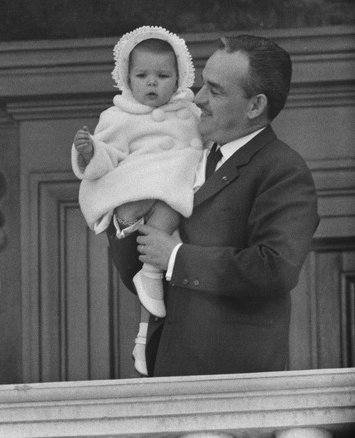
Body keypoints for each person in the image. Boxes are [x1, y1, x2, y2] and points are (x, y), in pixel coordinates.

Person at [107, 34, 319, 377]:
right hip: (169, 371)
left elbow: (276, 268)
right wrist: (127, 222)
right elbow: (141, 278)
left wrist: (176, 257)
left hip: (233, 380)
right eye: (202, 84)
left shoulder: (282, 169)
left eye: (215, 90)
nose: (198, 98)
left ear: (255, 106)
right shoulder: (188, 155)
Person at [71, 26, 203, 375]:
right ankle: (147, 304)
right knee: (154, 274)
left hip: (177, 198)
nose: (152, 84)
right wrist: (90, 151)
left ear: (180, 78)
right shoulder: (119, 115)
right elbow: (109, 155)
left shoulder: (191, 112)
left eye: (163, 76)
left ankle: (145, 337)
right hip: (142, 189)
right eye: (142, 75)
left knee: (160, 291)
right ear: (126, 77)